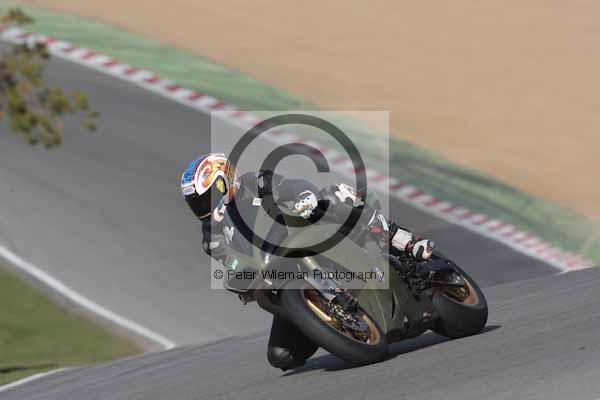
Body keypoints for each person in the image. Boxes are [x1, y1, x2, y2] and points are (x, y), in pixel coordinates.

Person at [182, 153, 435, 370]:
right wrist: (242, 279)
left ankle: (401, 239)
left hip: (306, 230)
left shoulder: (255, 182)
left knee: (334, 196)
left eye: (207, 198)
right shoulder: (211, 236)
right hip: (277, 272)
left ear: (225, 180)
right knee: (282, 356)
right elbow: (231, 263)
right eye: (197, 204)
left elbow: (292, 186)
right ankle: (328, 321)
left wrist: (305, 196)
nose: (204, 207)